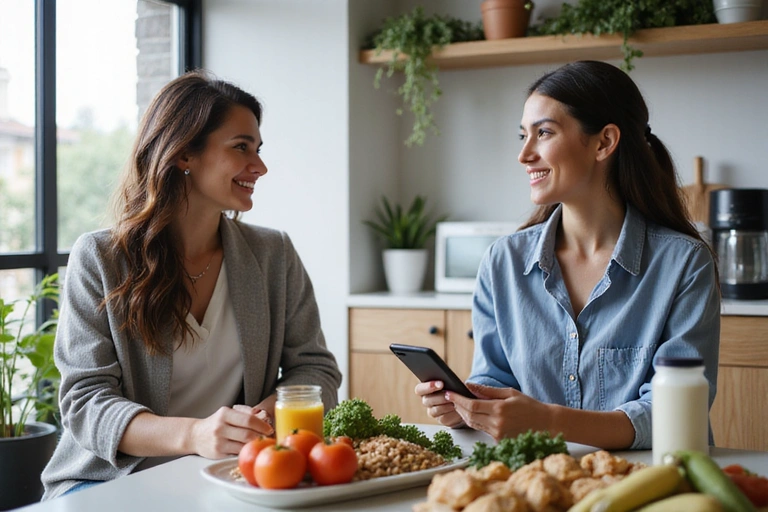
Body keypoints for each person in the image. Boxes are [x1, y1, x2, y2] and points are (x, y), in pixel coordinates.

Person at [42, 70, 342, 499]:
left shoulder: (273, 254)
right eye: (241, 148)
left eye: (258, 149)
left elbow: (316, 369)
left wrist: (262, 420)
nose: (260, 166)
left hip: (232, 479)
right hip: (108, 483)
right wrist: (196, 435)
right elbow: (86, 402)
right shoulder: (101, 258)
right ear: (184, 154)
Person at [415, 60, 720, 451]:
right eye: (523, 135)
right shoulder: (502, 262)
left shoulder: (684, 264)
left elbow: (675, 411)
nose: (524, 155)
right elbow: (495, 377)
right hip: (539, 481)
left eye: (543, 133)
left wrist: (548, 422)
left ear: (604, 142)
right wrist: (470, 405)